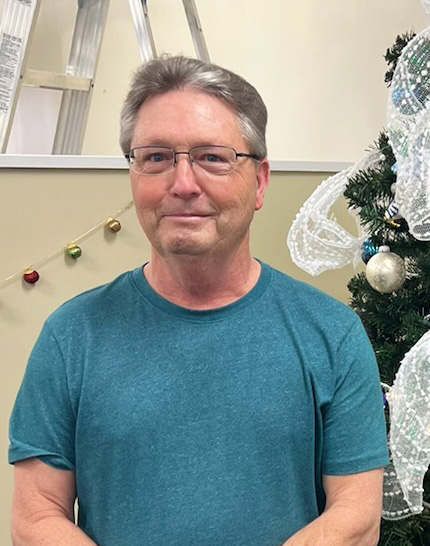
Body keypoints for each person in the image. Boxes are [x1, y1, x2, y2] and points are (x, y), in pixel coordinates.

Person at [9, 55, 388, 546]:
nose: (183, 184)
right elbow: (36, 517)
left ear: (259, 182)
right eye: (156, 157)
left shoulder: (332, 335)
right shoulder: (71, 336)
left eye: (212, 157)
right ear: (133, 175)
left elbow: (357, 518)